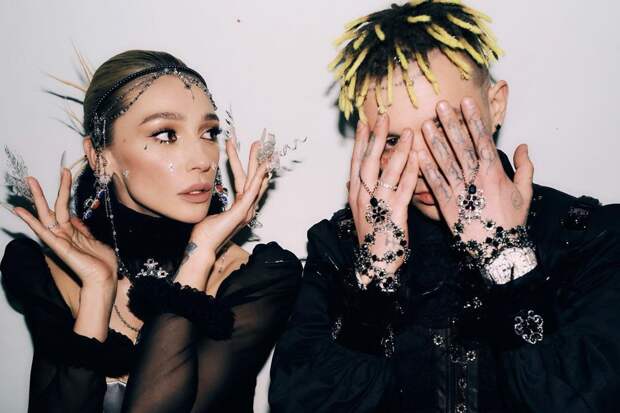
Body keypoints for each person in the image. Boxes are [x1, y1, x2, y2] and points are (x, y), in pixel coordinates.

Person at [269, 1, 620, 412]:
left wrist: (506, 262)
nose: (423, 164)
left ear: (496, 105)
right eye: (394, 140)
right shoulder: (339, 246)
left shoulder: (588, 237)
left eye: (444, 128)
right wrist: (375, 280)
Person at [1, 50, 301, 412]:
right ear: (100, 156)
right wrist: (97, 290)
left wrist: (200, 253)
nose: (203, 160)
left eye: (209, 133)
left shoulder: (255, 279)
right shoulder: (50, 274)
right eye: (166, 134)